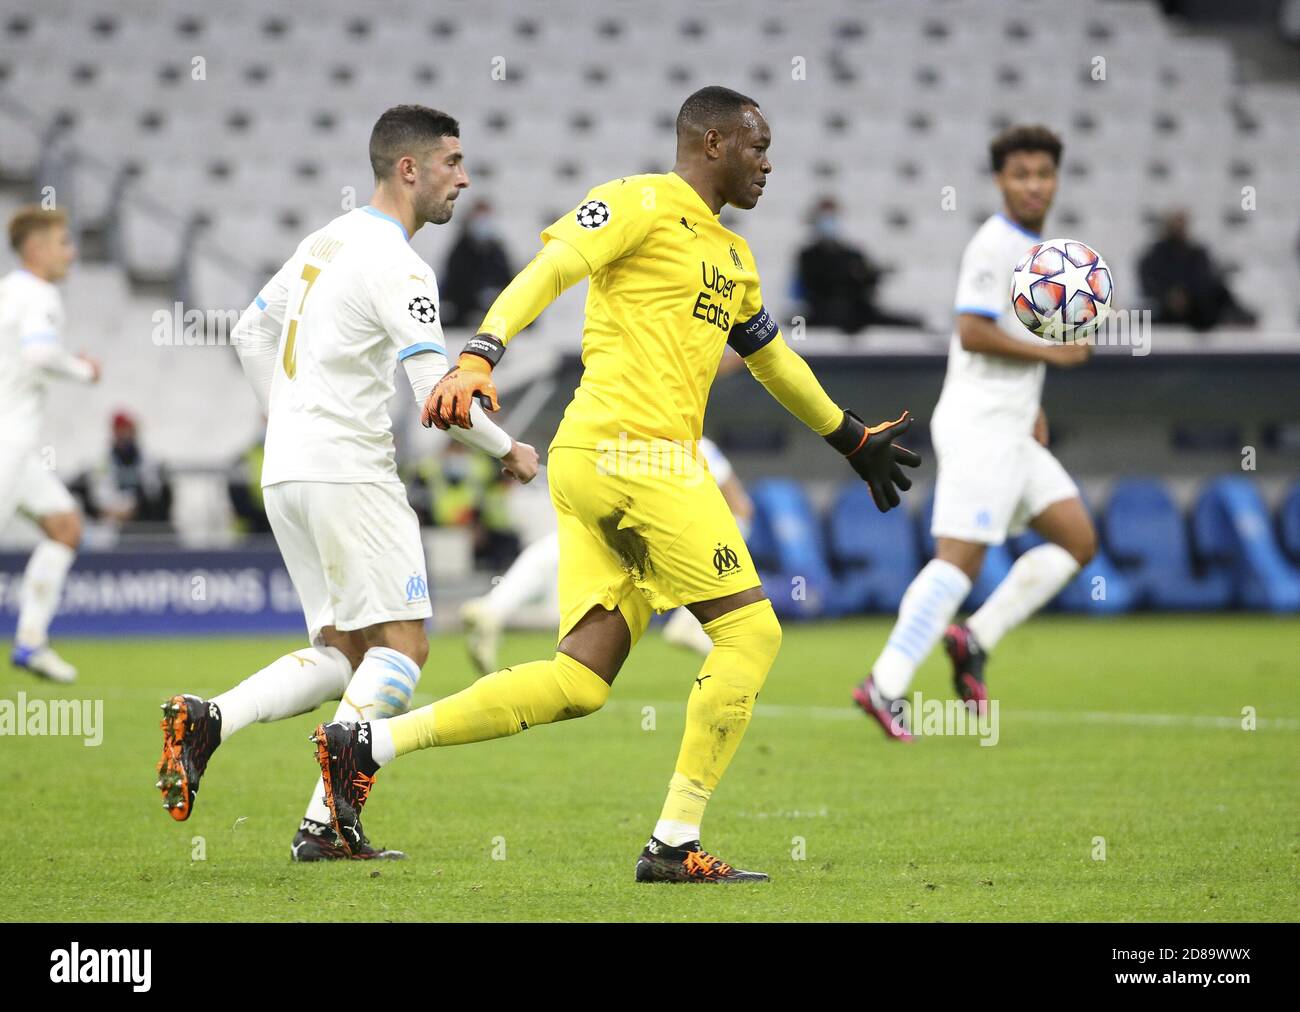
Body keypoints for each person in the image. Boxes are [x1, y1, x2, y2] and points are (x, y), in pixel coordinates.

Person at [312, 86, 919, 883]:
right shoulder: (637, 202)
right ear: (709, 143)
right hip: (639, 457)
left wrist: (849, 435)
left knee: (580, 681)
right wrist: (480, 353)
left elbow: (772, 359)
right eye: (755, 145)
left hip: (599, 464)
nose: (769, 162)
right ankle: (673, 844)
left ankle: (369, 744)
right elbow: (554, 267)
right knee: (753, 632)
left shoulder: (735, 260)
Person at [153, 105, 540, 862]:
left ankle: (210, 719)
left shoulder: (323, 242)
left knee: (343, 650)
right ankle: (327, 820)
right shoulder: (400, 262)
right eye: (452, 162)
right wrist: (508, 450)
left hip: (290, 471)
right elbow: (440, 390)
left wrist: (283, 416)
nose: (463, 177)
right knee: (405, 649)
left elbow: (249, 332)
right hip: (350, 469)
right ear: (409, 169)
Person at [852, 125, 1096, 741]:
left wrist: (1030, 401)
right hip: (980, 427)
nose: (1034, 184)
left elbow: (998, 343)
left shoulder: (1038, 249)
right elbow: (972, 332)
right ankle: (884, 683)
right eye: (1021, 174)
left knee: (1076, 541)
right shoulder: (995, 244)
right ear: (1000, 180)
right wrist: (1057, 353)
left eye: (1044, 173)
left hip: (1012, 424)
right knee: (959, 562)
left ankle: (973, 637)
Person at [460, 433, 755, 672]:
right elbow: (740, 507)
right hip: (667, 529)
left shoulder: (627, 431)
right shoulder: (690, 440)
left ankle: (495, 607)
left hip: (631, 513)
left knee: (561, 546)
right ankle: (690, 624)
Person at [0, 206, 101, 683]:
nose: (71, 252)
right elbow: (38, 353)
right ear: (36, 249)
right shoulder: (37, 294)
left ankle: (31, 641)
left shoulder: (8, 292)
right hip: (9, 446)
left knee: (64, 526)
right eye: (63, 243)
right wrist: (85, 371)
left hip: (18, 452)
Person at [795, 196, 922, 333]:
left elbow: (867, 283)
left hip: (859, 310)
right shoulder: (807, 255)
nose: (829, 222)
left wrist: (868, 275)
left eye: (833, 216)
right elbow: (813, 285)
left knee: (908, 324)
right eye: (825, 217)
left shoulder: (853, 253)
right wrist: (849, 275)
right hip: (824, 312)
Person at [1138, 210, 1256, 330]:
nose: (1179, 228)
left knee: (1219, 294)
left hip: (1193, 306)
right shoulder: (1154, 256)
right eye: (1175, 224)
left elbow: (1204, 280)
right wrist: (1168, 296)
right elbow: (1149, 283)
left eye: (1182, 223)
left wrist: (1187, 295)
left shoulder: (1197, 253)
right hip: (1164, 307)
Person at [82, 411, 172, 529]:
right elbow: (102, 493)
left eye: (127, 430)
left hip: (142, 519)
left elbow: (152, 490)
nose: (124, 435)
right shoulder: (104, 461)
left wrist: (131, 508)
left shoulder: (148, 458)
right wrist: (118, 511)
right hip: (113, 521)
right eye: (120, 431)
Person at [439, 199, 513, 328]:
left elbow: (507, 277)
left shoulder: (497, 249)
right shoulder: (460, 249)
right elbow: (453, 282)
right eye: (479, 218)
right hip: (463, 309)